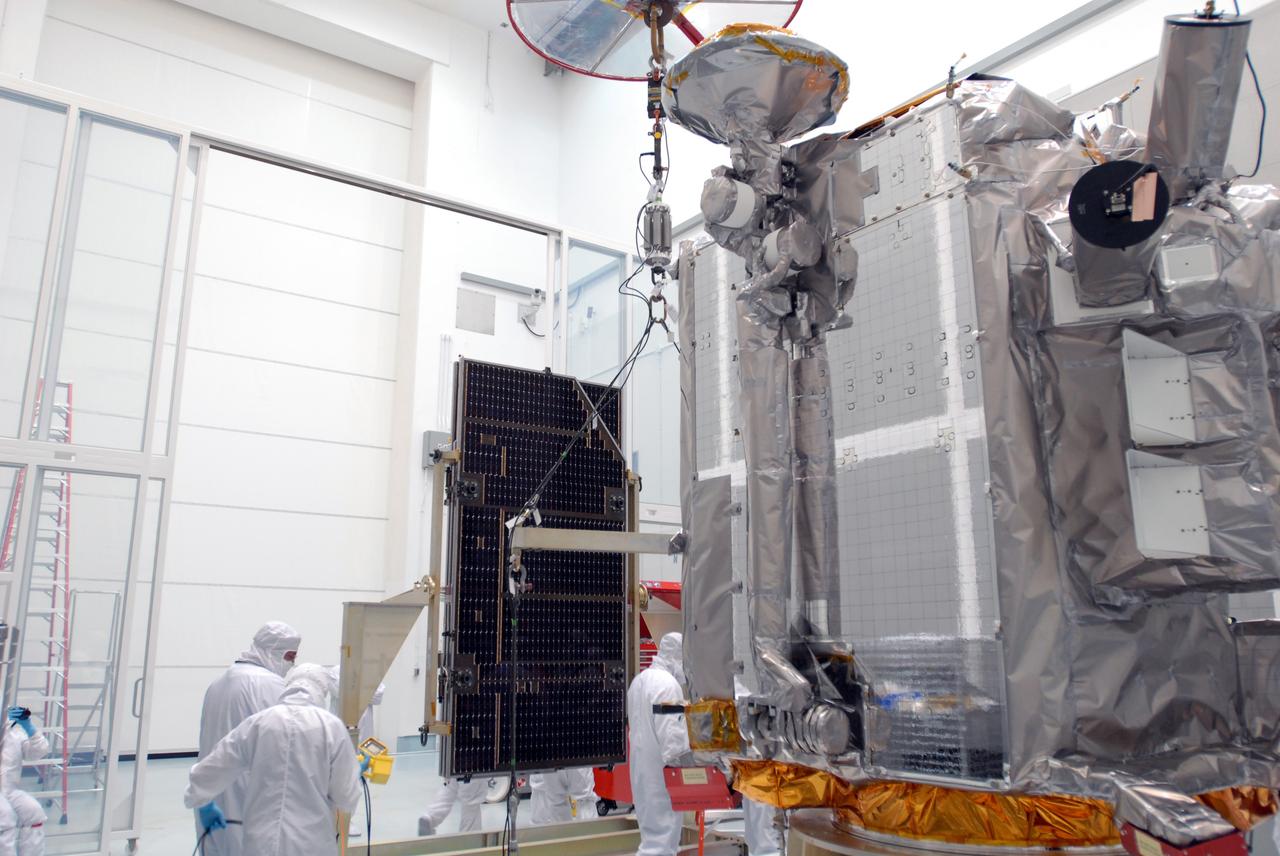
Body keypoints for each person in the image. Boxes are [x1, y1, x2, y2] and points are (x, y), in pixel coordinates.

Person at [185, 664, 362, 856]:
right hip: (311, 843)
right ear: (323, 690)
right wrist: (354, 773)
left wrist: (203, 802)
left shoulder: (258, 723)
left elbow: (210, 769)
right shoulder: (332, 728)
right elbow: (346, 797)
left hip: (260, 842)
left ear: (288, 684)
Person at [195, 622, 300, 856]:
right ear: (272, 649)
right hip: (250, 788)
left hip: (215, 788)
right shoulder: (269, 684)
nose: (292, 664)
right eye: (290, 656)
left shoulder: (220, 681)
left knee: (220, 845)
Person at [627, 632, 690, 856]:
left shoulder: (640, 680)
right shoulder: (668, 685)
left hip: (641, 774)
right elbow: (673, 744)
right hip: (663, 779)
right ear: (678, 657)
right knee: (662, 843)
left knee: (651, 839)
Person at [1, 707, 47, 855]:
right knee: (5, 816)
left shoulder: (14, 733)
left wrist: (29, 728)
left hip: (8, 790)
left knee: (34, 812)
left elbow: (37, 752)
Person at [418, 777, 489, 835]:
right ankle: (469, 839)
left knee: (449, 789)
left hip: (454, 764)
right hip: (474, 766)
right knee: (471, 803)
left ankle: (431, 816)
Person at [528, 768, 598, 825]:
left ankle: (561, 839)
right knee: (583, 801)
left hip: (549, 756)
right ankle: (588, 838)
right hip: (577, 755)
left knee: (556, 803)